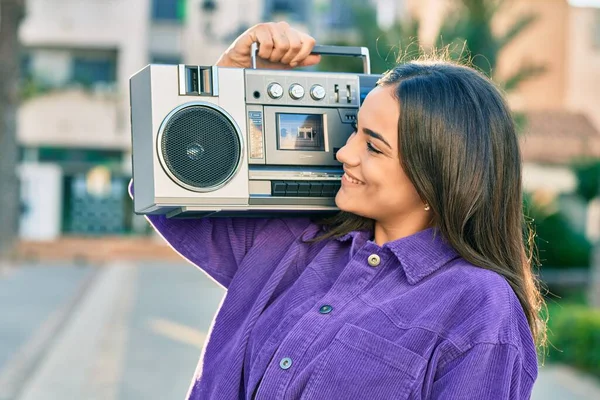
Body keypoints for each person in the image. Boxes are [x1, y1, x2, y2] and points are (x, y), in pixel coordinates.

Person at [138, 21, 545, 399]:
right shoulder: (294, 241)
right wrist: (225, 83)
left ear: (437, 174)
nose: (344, 152)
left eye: (373, 146)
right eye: (354, 130)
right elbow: (166, 187)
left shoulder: (480, 307)